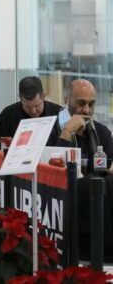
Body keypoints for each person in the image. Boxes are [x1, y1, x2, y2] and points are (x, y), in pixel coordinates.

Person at [50, 79, 113, 254]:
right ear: (67, 99)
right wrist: (66, 133)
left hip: (99, 204)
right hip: (64, 200)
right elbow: (53, 169)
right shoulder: (52, 129)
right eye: (81, 103)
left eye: (91, 104)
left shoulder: (101, 132)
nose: (87, 110)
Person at [0, 76, 61, 143]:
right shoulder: (7, 116)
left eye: (37, 105)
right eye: (28, 107)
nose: (33, 111)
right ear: (20, 98)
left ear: (43, 96)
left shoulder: (59, 113)